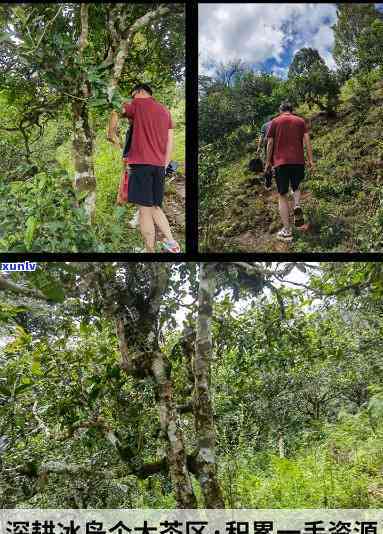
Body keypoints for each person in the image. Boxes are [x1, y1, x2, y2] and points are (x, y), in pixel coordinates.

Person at [108, 83, 180, 253]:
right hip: (159, 166)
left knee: (144, 212)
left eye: (133, 95)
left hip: (141, 165)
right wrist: (164, 164)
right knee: (155, 206)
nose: (132, 98)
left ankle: (150, 250)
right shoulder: (164, 110)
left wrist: (111, 134)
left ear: (140, 92)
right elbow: (170, 140)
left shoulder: (137, 105)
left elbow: (116, 110)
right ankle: (172, 243)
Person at [265, 101, 314, 242]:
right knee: (296, 186)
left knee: (282, 194)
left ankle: (287, 231)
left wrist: (268, 162)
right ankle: (297, 204)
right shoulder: (300, 121)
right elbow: (307, 141)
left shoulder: (274, 122)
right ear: (292, 110)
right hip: (298, 161)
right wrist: (311, 160)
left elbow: (270, 143)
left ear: (281, 110)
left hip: (281, 162)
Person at [257, 116, 273, 190]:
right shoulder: (277, 123)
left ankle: (268, 184)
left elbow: (261, 137)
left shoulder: (264, 125)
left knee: (267, 162)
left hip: (267, 145)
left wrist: (259, 147)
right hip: (278, 144)